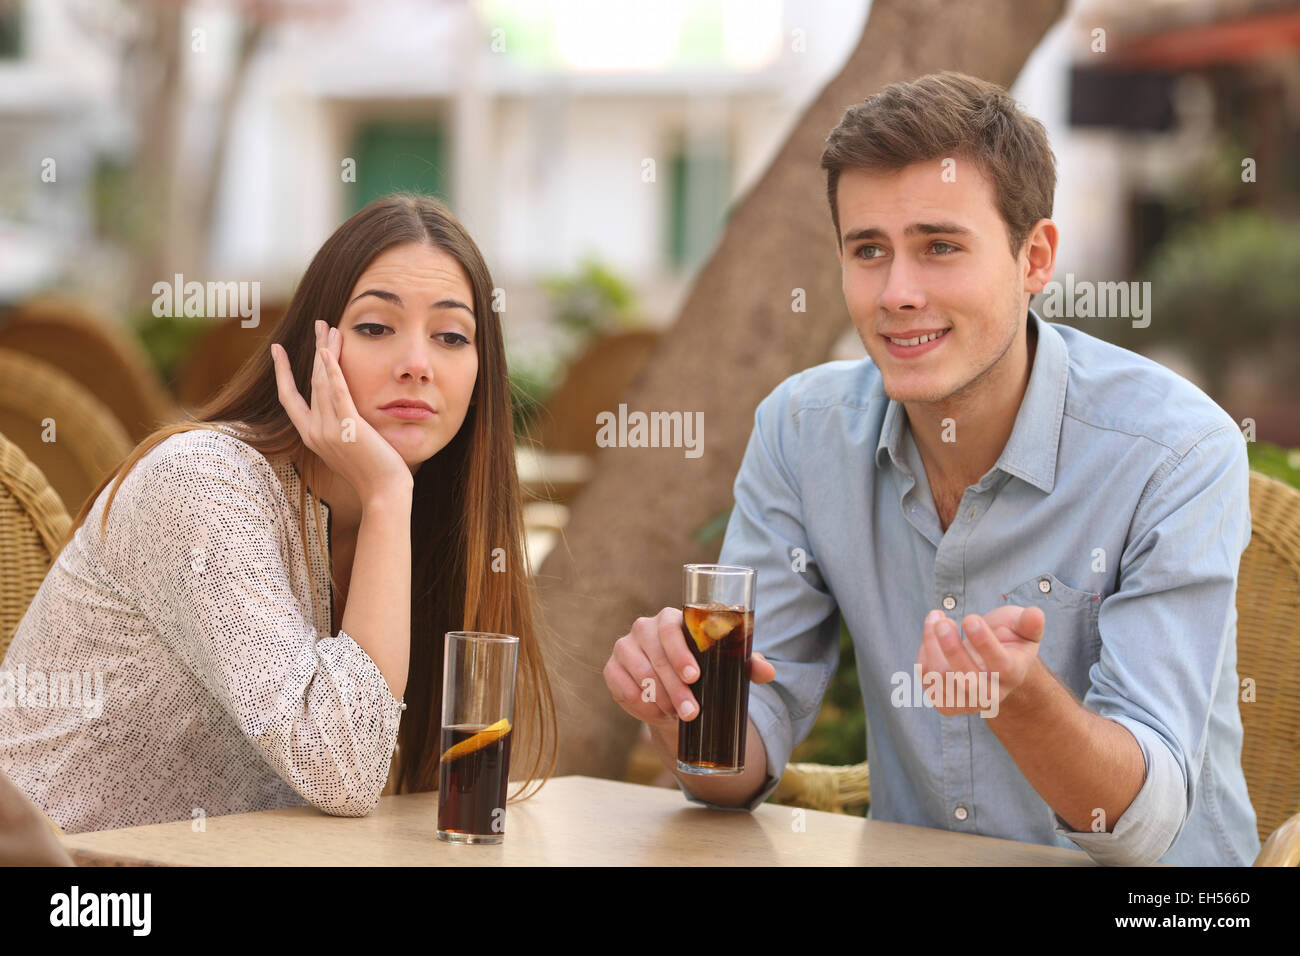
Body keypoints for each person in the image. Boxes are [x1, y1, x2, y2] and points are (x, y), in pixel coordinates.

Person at [604, 71, 1259, 866]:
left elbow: (1145, 827)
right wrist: (680, 711)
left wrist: (1019, 704)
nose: (897, 293)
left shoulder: (1176, 452)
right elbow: (734, 759)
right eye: (868, 251)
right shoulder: (804, 434)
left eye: (940, 247)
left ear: (1035, 258)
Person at [0, 194, 556, 834]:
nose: (416, 365)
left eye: (451, 336)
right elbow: (342, 770)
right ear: (314, 346)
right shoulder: (204, 481)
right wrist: (385, 495)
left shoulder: (432, 525)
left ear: (480, 373)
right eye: (375, 327)